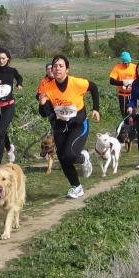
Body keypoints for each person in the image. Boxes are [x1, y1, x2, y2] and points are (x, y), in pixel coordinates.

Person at [38, 55, 100, 199]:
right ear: (51, 70)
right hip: (59, 127)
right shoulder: (48, 87)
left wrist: (95, 109)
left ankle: (83, 158)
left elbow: (94, 87)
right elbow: (44, 113)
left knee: (70, 155)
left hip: (78, 125)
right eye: (55, 66)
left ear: (67, 69)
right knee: (62, 157)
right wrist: (42, 104)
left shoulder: (77, 83)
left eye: (61, 66)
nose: (57, 68)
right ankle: (76, 187)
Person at [109, 51, 137, 117]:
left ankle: (134, 126)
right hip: (122, 95)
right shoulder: (117, 67)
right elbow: (111, 81)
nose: (127, 64)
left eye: (128, 62)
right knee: (125, 114)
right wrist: (123, 83)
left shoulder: (134, 67)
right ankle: (126, 125)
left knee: (134, 114)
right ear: (122, 62)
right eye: (125, 63)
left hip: (133, 94)